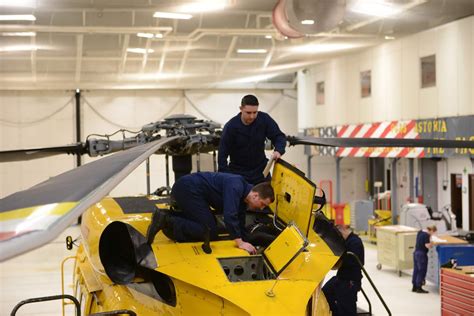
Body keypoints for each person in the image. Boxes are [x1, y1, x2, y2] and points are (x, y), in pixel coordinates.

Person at [146, 172, 274, 254]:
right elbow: (230, 215)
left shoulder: (243, 197)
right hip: (187, 189)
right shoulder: (236, 186)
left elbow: (239, 221)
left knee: (210, 225)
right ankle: (166, 220)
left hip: (193, 192)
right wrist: (240, 243)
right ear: (255, 196)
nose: (262, 209)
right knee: (209, 230)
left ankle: (167, 215)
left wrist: (247, 240)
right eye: (263, 204)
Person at [218, 94, 287, 184]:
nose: (252, 116)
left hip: (261, 172)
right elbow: (222, 155)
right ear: (241, 109)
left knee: (268, 197)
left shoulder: (264, 119)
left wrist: (278, 150)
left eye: (255, 112)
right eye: (248, 113)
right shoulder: (231, 127)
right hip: (238, 174)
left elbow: (279, 136)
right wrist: (227, 178)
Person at [322, 224, 365, 316]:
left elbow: (353, 262)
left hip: (350, 280)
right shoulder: (347, 241)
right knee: (325, 292)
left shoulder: (355, 242)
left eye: (339, 235)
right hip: (341, 277)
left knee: (347, 307)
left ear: (343, 230)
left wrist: (337, 261)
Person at [412, 225, 437, 293]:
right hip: (422, 254)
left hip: (416, 253)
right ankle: (419, 287)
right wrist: (432, 243)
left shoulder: (420, 232)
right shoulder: (426, 235)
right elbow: (427, 246)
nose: (432, 234)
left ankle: (414, 286)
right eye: (433, 232)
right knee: (422, 270)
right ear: (431, 230)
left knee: (416, 270)